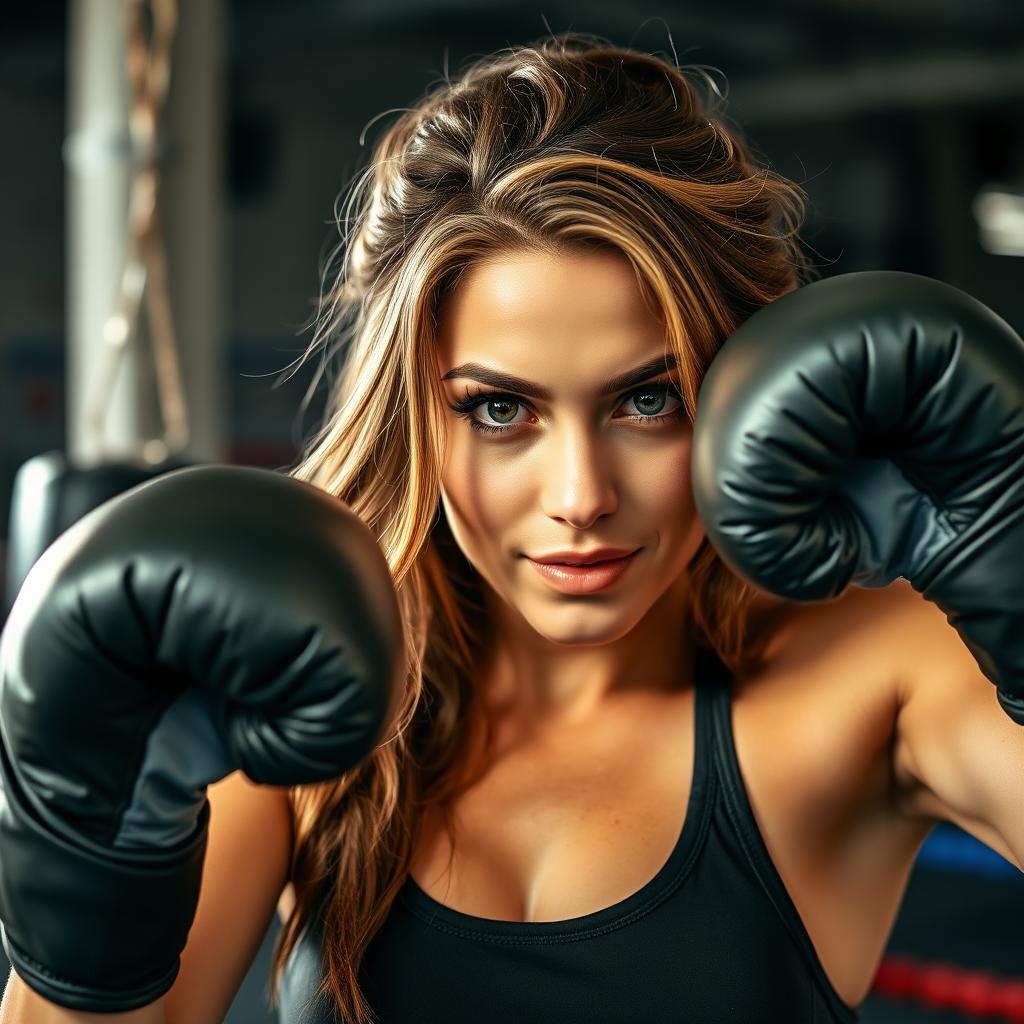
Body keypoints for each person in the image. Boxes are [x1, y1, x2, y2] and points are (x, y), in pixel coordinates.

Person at [3, 30, 1023, 1024]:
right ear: (417, 416)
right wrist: (93, 855)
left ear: (745, 395)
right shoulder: (305, 716)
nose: (580, 495)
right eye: (500, 409)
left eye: (647, 400)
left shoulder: (873, 676)